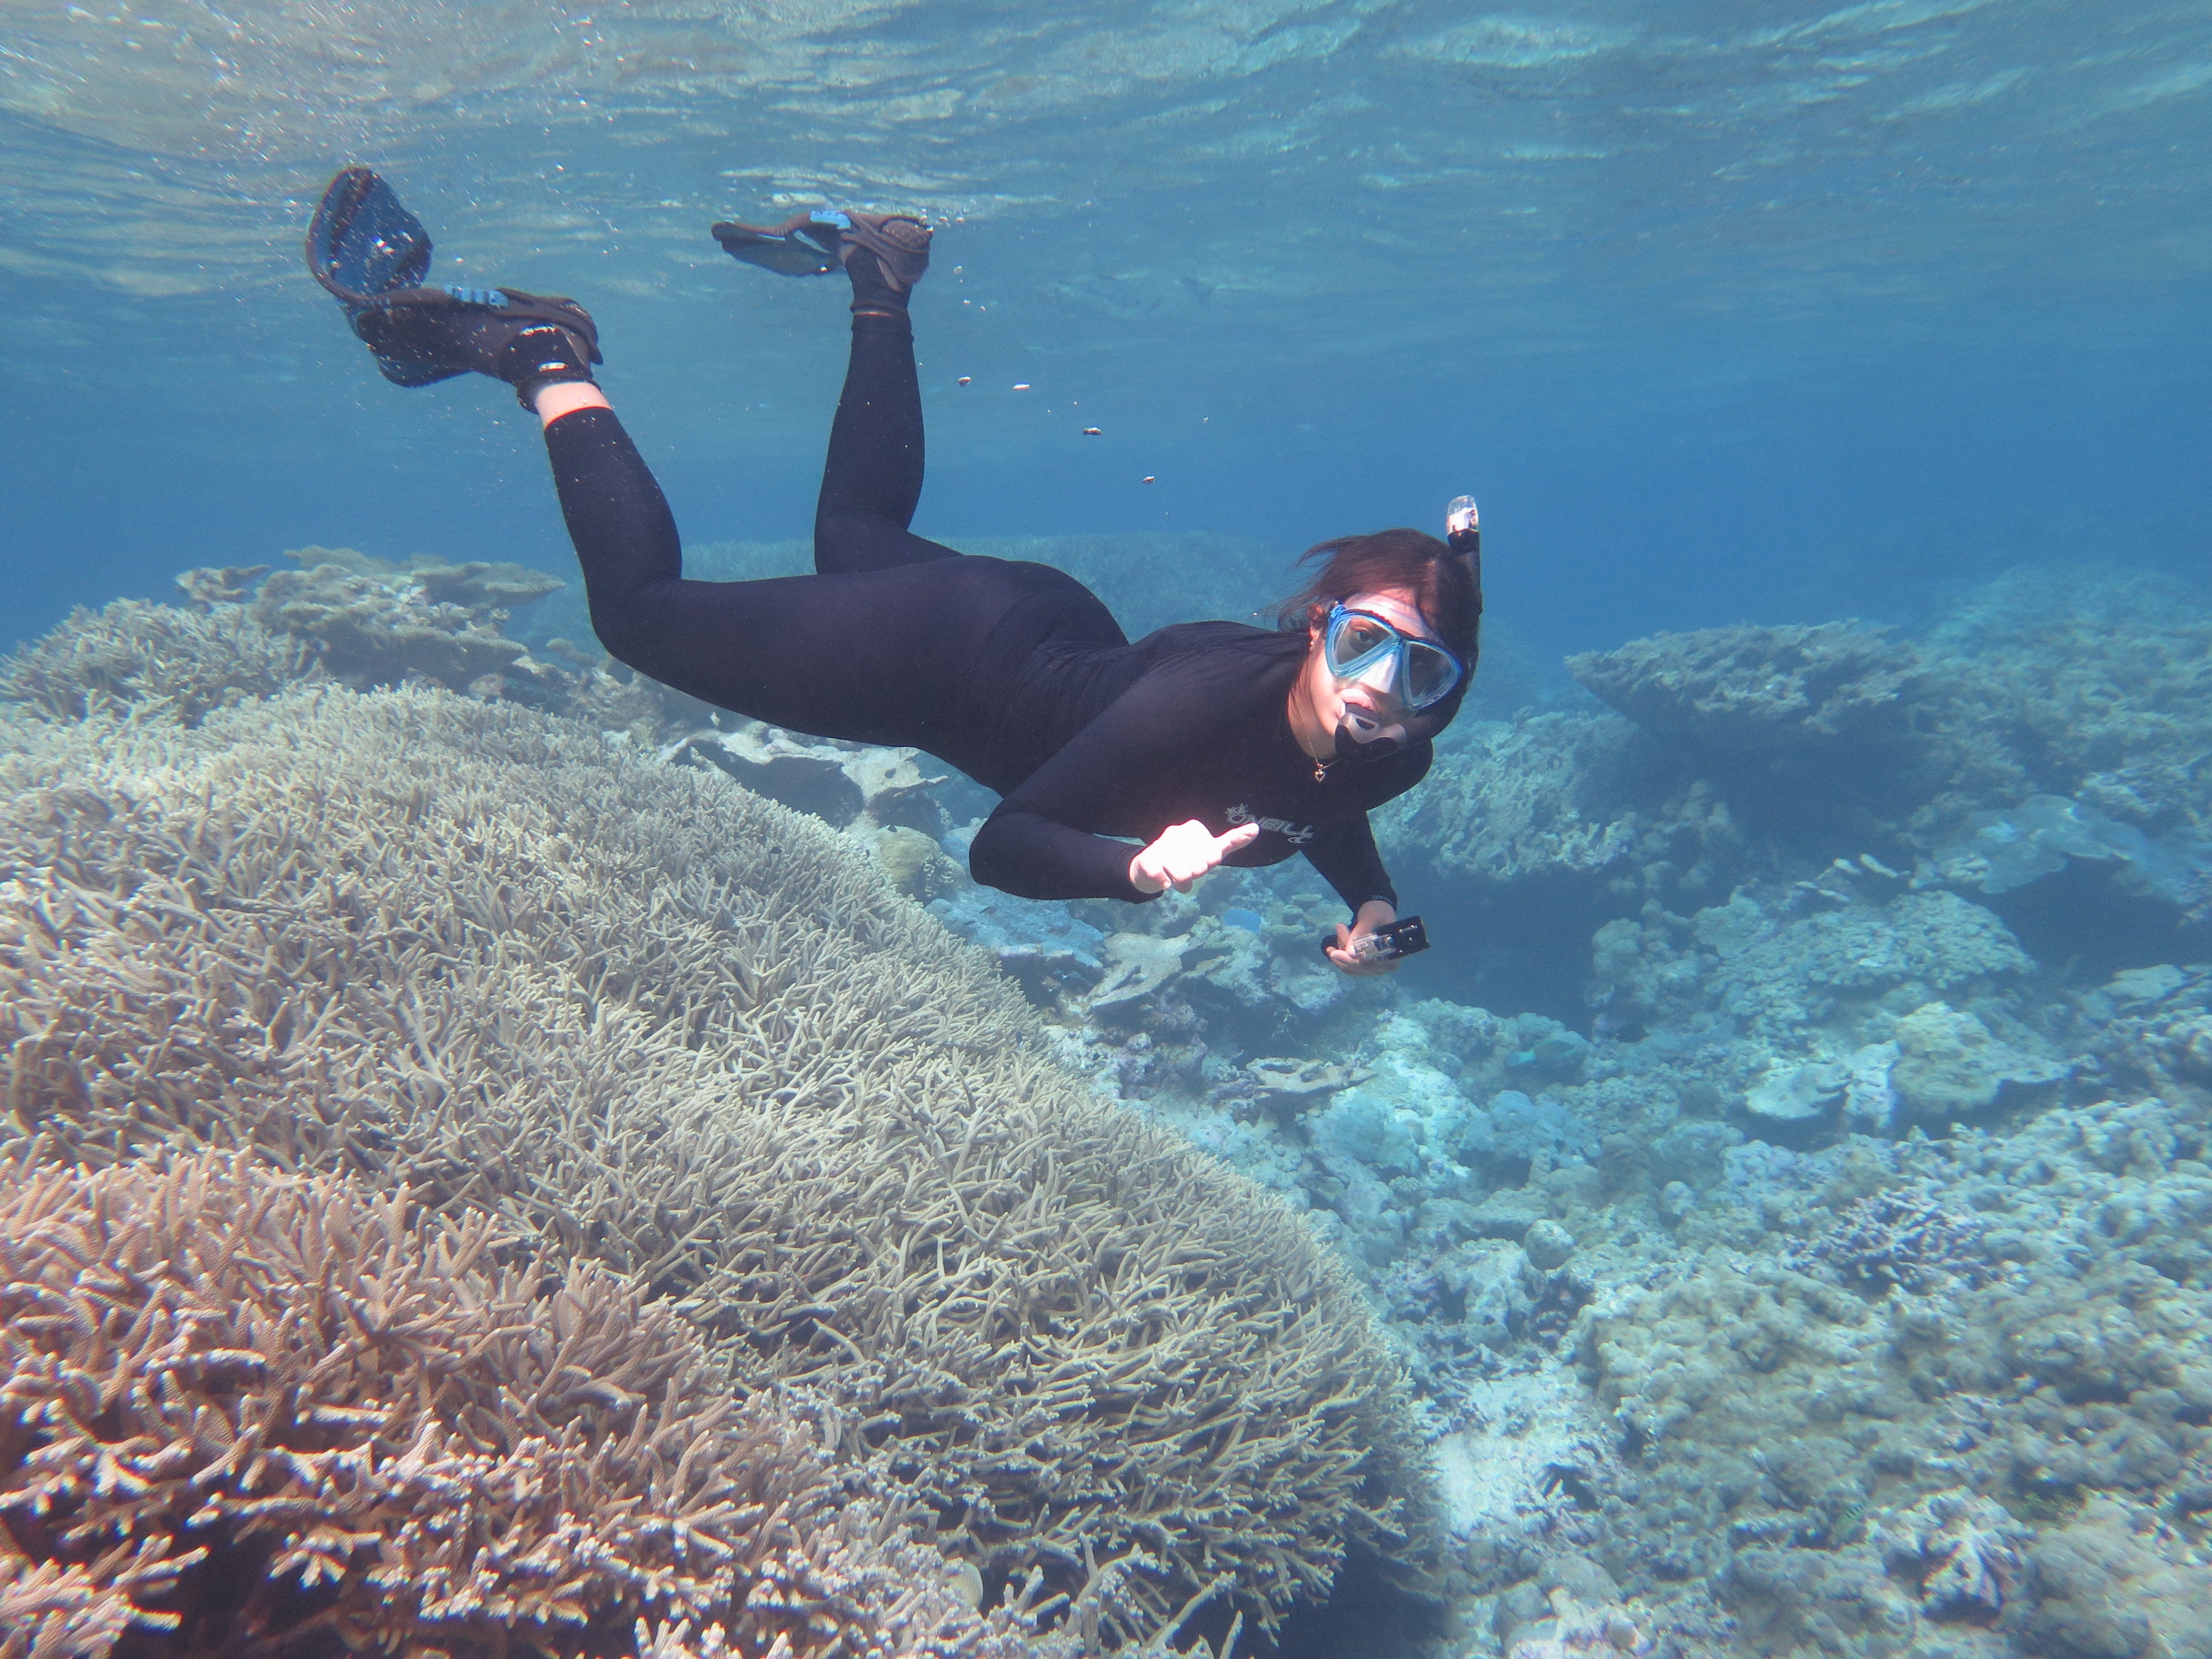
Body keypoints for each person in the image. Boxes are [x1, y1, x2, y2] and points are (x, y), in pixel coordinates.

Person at [309, 171, 1481, 975]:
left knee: (854, 529)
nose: (1379, 686)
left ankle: (880, 268)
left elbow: (1325, 801)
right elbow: (1005, 845)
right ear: (1320, 626)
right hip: (943, 661)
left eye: (1416, 670)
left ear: (1441, 690)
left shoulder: (1392, 750)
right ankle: (541, 356)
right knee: (635, 618)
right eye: (1362, 641)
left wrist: (1367, 906)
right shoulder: (1201, 705)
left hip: (1035, 623)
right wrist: (1132, 870)